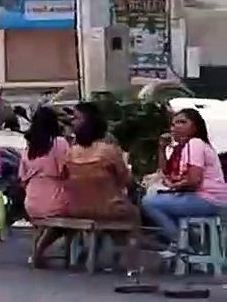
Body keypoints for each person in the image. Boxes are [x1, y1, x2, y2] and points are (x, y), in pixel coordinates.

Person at [140, 107, 227, 247]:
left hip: (209, 199)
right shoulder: (185, 147)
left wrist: (174, 187)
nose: (177, 127)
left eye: (183, 122)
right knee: (160, 201)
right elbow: (166, 172)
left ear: (195, 126)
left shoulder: (195, 143)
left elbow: (194, 180)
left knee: (149, 202)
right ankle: (187, 241)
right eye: (174, 124)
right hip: (210, 199)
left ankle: (181, 243)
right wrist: (162, 148)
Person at [63, 102, 138, 223]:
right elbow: (126, 180)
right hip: (109, 210)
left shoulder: (70, 153)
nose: (72, 122)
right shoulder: (109, 151)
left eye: (76, 118)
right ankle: (133, 241)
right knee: (135, 213)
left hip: (75, 210)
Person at [19, 107, 72, 267]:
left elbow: (21, 178)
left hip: (31, 201)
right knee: (69, 222)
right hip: (54, 199)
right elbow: (65, 171)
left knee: (45, 221)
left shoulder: (29, 148)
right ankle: (38, 252)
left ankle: (38, 250)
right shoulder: (59, 143)